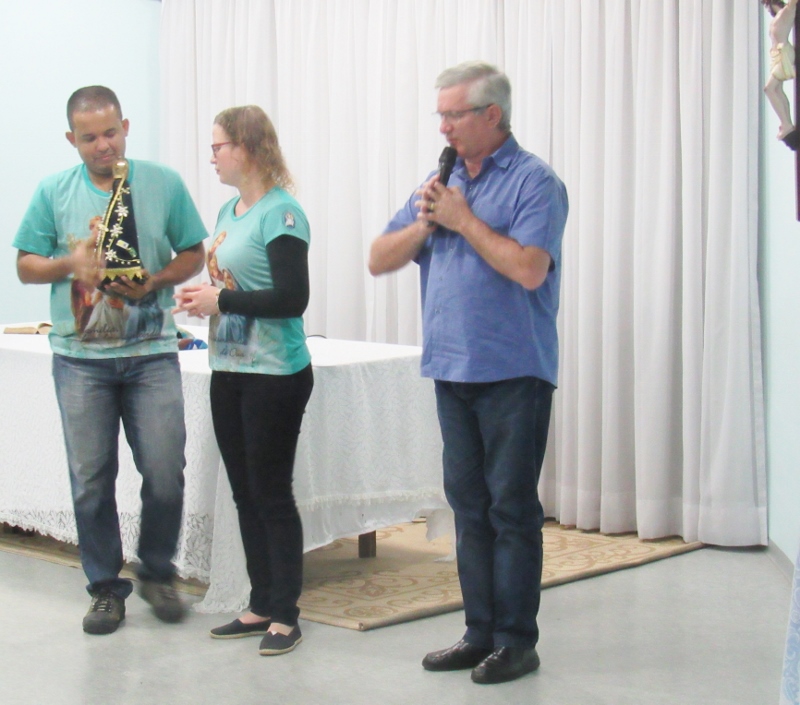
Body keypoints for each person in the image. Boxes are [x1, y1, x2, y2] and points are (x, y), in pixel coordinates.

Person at [369, 61, 568, 685]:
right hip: (451, 369)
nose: (444, 126)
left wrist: (463, 221)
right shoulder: (440, 184)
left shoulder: (536, 182)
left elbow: (529, 268)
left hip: (513, 371)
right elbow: (378, 258)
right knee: (469, 508)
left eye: (454, 114)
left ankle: (516, 641)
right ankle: (478, 632)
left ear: (492, 114)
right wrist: (426, 223)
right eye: (440, 115)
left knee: (511, 509)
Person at [13, 86, 207, 635]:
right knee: (91, 480)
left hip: (151, 354)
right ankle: (104, 588)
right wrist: (68, 263)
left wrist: (158, 278)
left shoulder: (163, 183)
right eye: (90, 137)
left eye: (111, 133)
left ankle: (157, 572)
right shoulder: (53, 191)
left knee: (165, 471)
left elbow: (194, 251)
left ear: (126, 126)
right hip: (80, 360)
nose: (103, 145)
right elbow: (25, 265)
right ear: (71, 139)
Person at [173, 105, 313, 656]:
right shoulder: (228, 211)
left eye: (219, 146)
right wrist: (202, 298)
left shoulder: (282, 214)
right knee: (244, 492)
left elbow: (292, 298)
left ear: (248, 149)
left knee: (271, 492)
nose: (212, 156)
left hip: (274, 373)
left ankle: (287, 614)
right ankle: (261, 602)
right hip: (229, 368)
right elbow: (228, 284)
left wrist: (222, 299)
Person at [763, 0, 800, 148]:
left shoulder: (787, 12)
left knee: (770, 89)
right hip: (777, 55)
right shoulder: (778, 17)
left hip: (784, 54)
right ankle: (786, 123)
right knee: (776, 89)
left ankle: (786, 123)